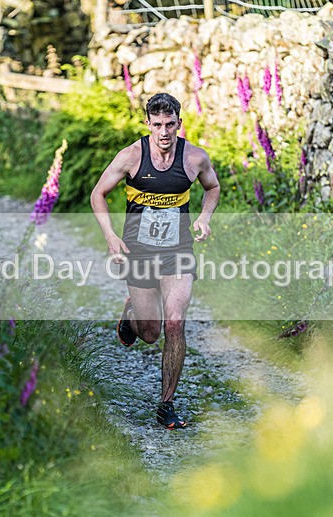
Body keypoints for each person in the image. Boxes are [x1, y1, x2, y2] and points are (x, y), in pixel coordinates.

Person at [90, 93, 220, 430]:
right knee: (149, 332)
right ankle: (131, 312)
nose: (164, 132)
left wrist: (204, 218)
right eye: (157, 125)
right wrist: (110, 236)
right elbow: (98, 194)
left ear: (179, 123)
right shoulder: (132, 156)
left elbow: (213, 188)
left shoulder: (194, 158)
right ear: (148, 124)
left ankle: (166, 404)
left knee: (174, 323)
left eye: (170, 125)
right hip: (140, 252)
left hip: (178, 252)